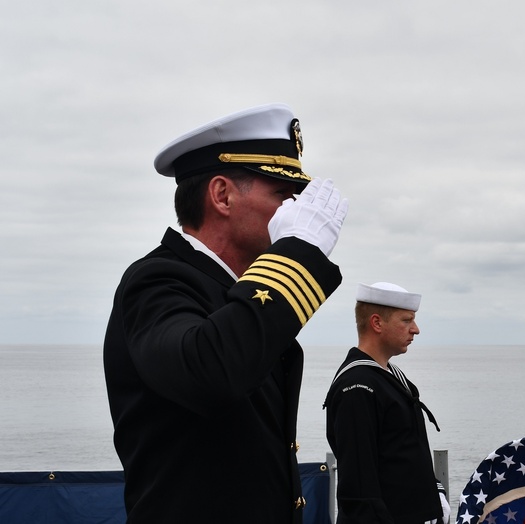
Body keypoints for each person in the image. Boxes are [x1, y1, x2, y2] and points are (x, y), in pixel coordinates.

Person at [103, 103, 349, 523]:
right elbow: (211, 370)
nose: (293, 211)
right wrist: (299, 254)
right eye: (281, 194)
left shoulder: (235, 292)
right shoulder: (156, 280)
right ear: (222, 195)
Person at [324, 282, 449, 524]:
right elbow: (359, 491)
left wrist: (434, 493)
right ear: (377, 323)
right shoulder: (358, 387)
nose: (416, 329)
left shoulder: (390, 376)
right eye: (406, 320)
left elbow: (404, 452)